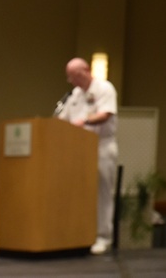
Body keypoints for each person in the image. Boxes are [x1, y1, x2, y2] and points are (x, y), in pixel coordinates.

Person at [56, 57, 118, 255]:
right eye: (69, 77)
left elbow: (105, 114)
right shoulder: (74, 95)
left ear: (85, 71)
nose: (71, 80)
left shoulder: (105, 88)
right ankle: (80, 234)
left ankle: (103, 236)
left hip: (101, 146)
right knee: (79, 192)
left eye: (73, 76)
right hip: (78, 150)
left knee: (102, 192)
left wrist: (83, 122)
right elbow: (62, 119)